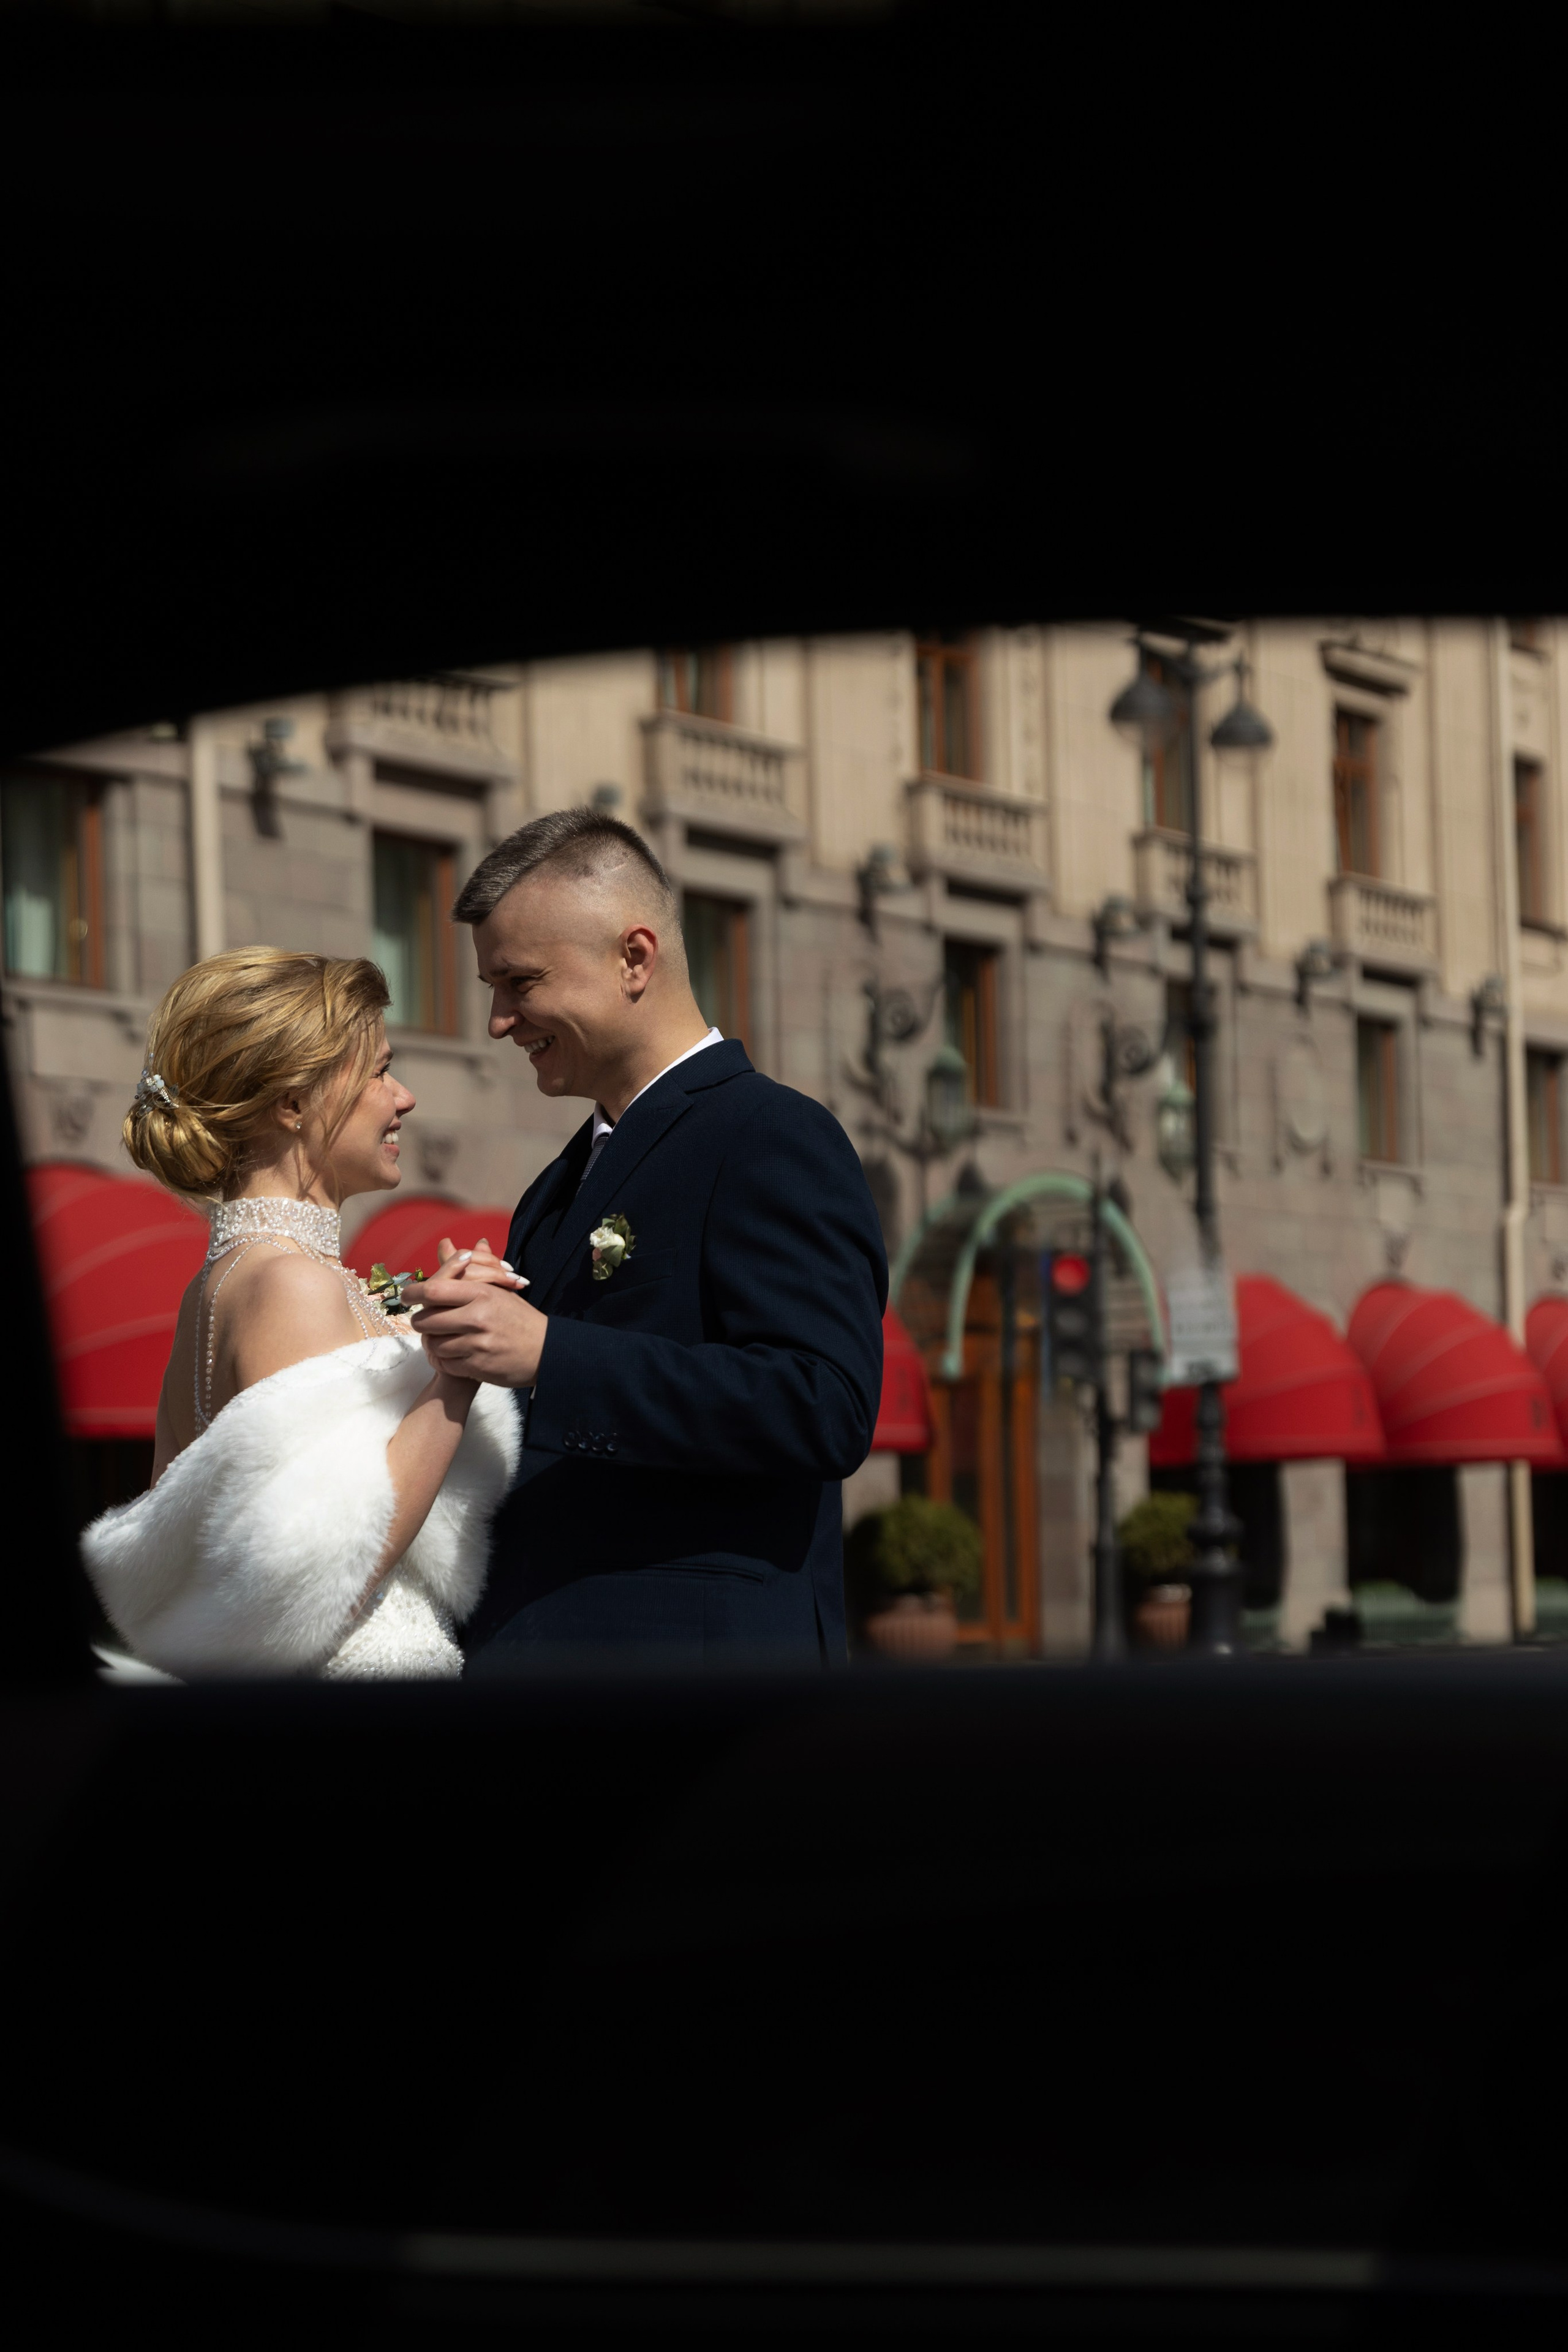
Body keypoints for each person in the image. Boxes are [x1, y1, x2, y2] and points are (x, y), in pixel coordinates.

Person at [406, 807, 888, 1668]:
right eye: (491, 988)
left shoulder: (770, 1133)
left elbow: (824, 1407)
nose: (498, 1021)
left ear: (634, 958)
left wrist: (552, 1355)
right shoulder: (557, 1185)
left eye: (520, 983)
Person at [81, 949, 519, 1678]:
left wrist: (412, 1313)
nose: (403, 1097)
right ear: (291, 1104)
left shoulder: (229, 1281)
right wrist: (457, 1366)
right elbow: (318, 1568)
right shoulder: (290, 1283)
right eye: (379, 1070)